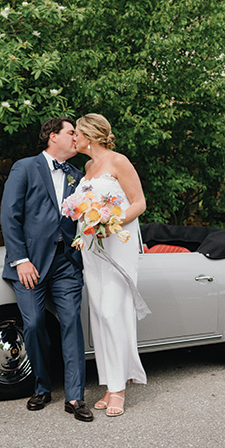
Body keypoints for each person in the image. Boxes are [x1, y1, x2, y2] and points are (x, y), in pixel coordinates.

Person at [0, 117, 93, 422]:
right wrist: (20, 259)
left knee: (71, 324)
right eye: (71, 133)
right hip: (31, 264)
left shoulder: (77, 176)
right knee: (35, 323)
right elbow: (9, 217)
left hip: (66, 263)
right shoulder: (25, 167)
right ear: (53, 137)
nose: (76, 138)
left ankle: (76, 396)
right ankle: (41, 386)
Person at [68, 113, 149, 417]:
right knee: (100, 313)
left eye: (76, 132)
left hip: (117, 243)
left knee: (114, 310)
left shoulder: (119, 161)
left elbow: (138, 202)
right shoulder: (87, 167)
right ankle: (110, 383)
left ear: (89, 135)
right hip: (91, 246)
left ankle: (119, 389)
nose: (73, 137)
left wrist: (111, 221)